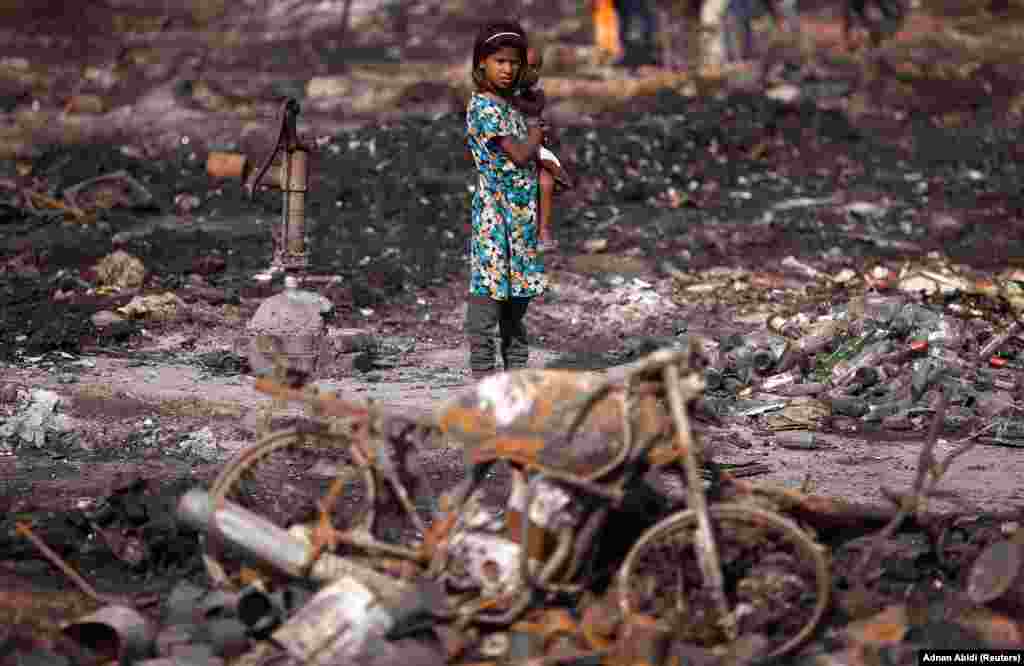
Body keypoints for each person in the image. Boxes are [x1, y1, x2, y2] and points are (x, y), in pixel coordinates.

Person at [464, 21, 547, 381]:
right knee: (487, 302)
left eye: (513, 63)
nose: (508, 69)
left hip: (520, 217)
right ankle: (484, 382)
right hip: (496, 218)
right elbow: (518, 154)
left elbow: (535, 64)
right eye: (499, 61)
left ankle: (516, 382)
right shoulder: (484, 108)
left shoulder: (509, 106)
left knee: (516, 305)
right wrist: (535, 131)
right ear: (482, 62)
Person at [509, 46, 572, 252]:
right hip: (514, 146)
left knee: (545, 178)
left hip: (533, 143)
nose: (531, 72)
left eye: (536, 67)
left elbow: (535, 111)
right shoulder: (502, 95)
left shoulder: (535, 95)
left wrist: (540, 127)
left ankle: (543, 231)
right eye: (526, 66)